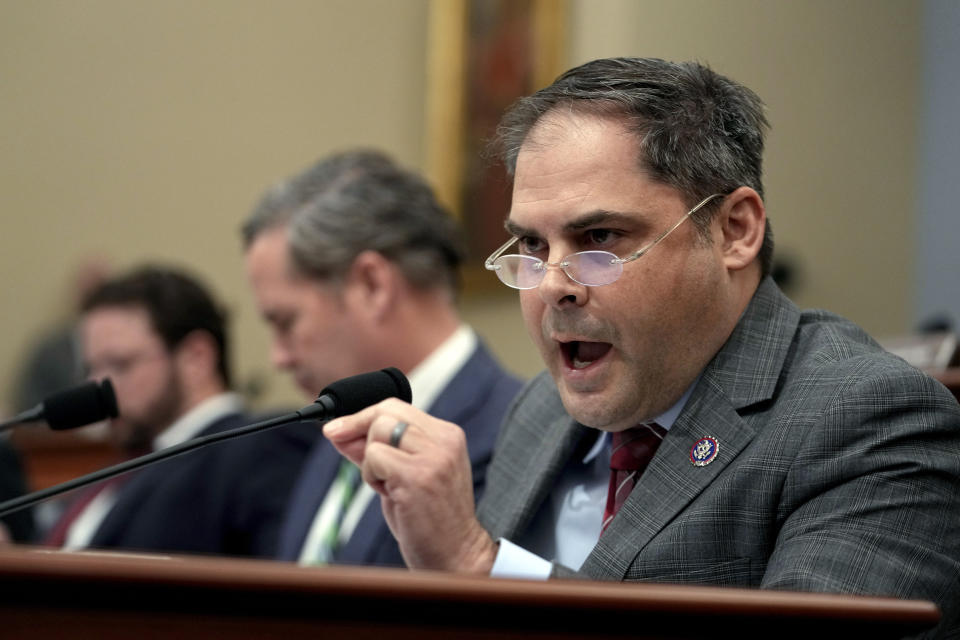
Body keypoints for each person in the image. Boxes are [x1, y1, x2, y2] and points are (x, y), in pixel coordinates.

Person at [321, 58, 960, 637]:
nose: (554, 287)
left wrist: (478, 565)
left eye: (599, 238)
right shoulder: (540, 411)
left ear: (735, 229)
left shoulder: (871, 419)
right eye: (533, 248)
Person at [243, 149, 523, 566]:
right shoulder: (343, 419)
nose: (278, 357)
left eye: (285, 321)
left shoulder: (516, 436)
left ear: (372, 285)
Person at [48, 265, 317, 556]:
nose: (97, 388)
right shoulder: (124, 465)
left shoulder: (261, 447)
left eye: (119, 364)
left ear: (196, 358)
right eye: (91, 368)